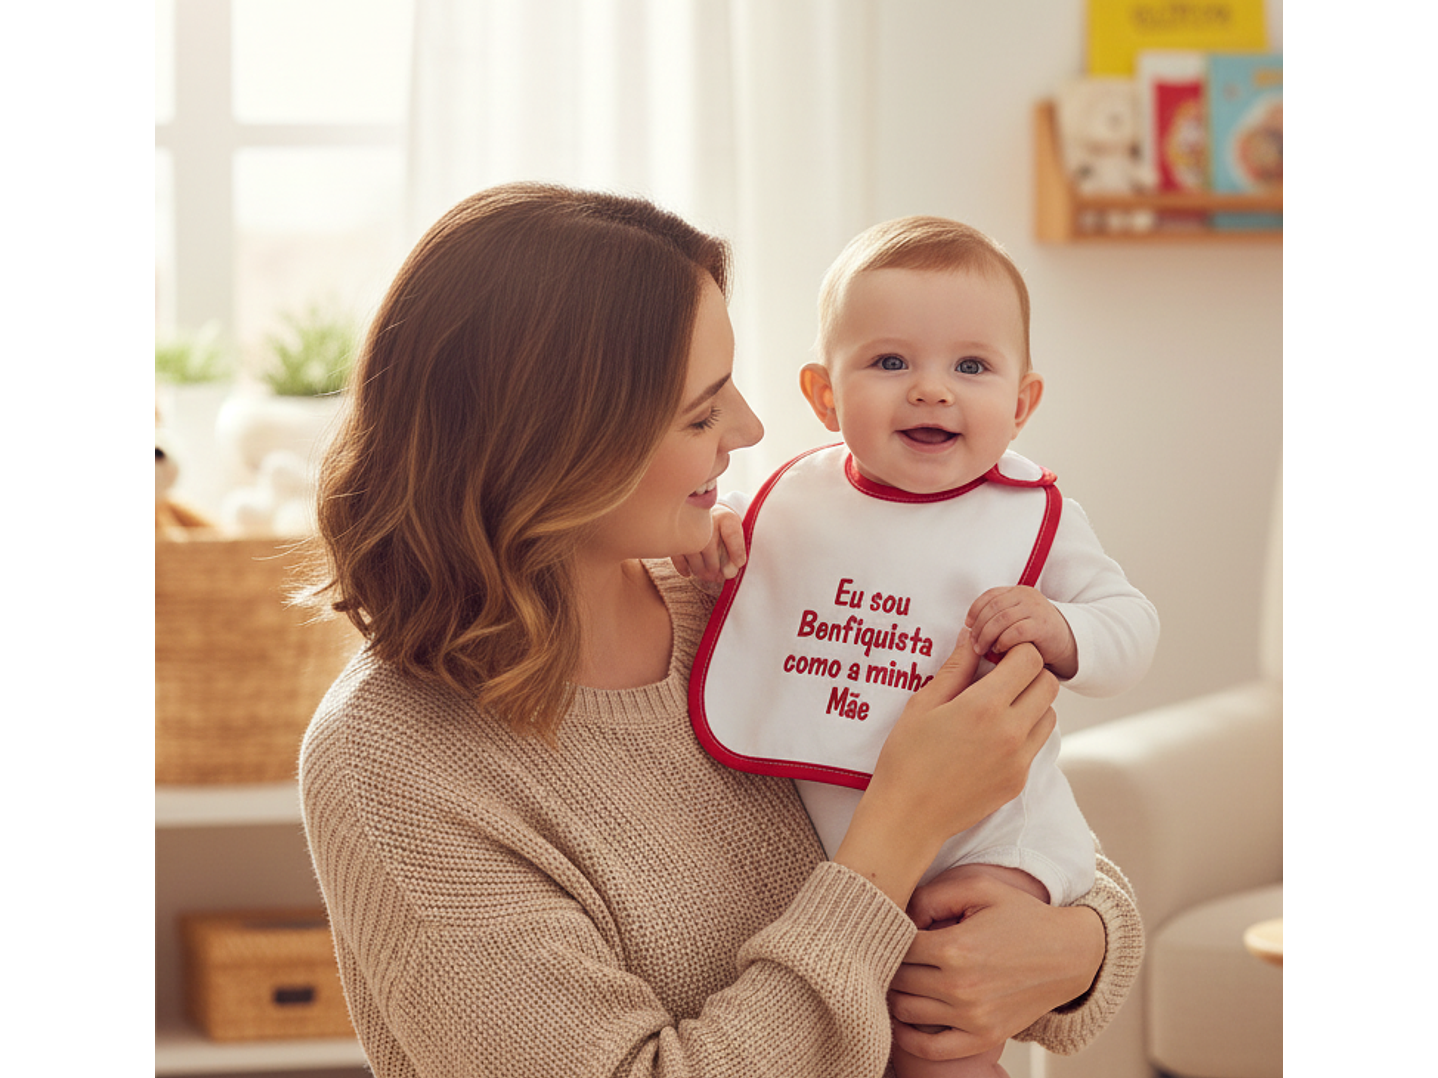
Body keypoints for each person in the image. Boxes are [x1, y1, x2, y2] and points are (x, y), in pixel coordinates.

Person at [299, 184, 1143, 1078]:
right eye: (701, 413)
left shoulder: (749, 587)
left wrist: (1077, 949)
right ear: (559, 448)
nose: (751, 428)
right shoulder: (394, 763)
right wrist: (900, 825)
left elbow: (1033, 837)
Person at [684, 216, 1159, 1077]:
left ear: (1022, 404)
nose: (932, 390)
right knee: (860, 1023)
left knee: (937, 1033)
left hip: (991, 845)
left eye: (971, 367)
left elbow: (1133, 629)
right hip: (845, 841)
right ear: (825, 396)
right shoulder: (790, 500)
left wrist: (1065, 629)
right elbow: (744, 565)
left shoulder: (1033, 518)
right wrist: (722, 532)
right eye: (890, 362)